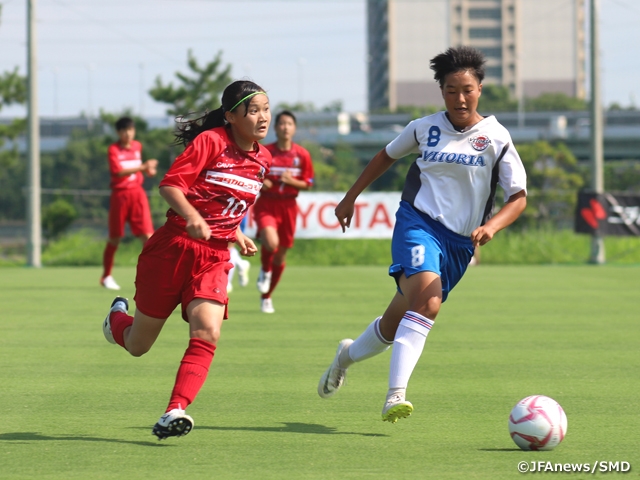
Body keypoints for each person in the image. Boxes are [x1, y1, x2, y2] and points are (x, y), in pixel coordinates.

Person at [317, 46, 527, 423]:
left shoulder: (497, 137)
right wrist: (350, 197)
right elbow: (385, 156)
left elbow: (518, 198)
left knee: (394, 322)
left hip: (460, 245)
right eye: (450, 90)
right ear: (441, 91)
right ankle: (395, 395)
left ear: (480, 88)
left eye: (467, 89)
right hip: (418, 224)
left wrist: (492, 226)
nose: (460, 98)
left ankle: (343, 358)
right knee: (428, 304)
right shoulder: (424, 128)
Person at [102, 80, 271, 440]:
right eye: (253, 110)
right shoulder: (210, 142)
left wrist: (236, 234)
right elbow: (170, 186)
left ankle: (174, 410)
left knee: (207, 330)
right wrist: (193, 216)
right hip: (173, 248)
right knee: (137, 345)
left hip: (214, 257)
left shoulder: (263, 160)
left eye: (266, 109)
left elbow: (231, 205)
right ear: (230, 116)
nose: (262, 117)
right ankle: (116, 318)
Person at [253, 110, 314, 313]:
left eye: (289, 124)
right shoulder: (264, 152)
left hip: (288, 207)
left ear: (294, 128)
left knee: (280, 255)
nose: (285, 127)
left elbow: (308, 183)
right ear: (276, 127)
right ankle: (264, 269)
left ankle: (267, 296)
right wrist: (262, 182)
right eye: (281, 123)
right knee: (271, 242)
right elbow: (251, 175)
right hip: (267, 204)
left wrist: (291, 181)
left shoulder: (302, 154)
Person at [101, 116, 158, 290]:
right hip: (120, 195)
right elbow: (117, 172)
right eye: (124, 130)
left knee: (148, 236)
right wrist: (143, 167)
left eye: (131, 130)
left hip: (137, 194)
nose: (128, 133)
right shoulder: (113, 149)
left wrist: (149, 170)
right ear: (118, 133)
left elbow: (140, 169)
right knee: (115, 237)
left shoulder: (137, 146)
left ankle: (153, 274)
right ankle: (106, 276)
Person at [226, 216, 251, 293]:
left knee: (228, 244)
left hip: (232, 212)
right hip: (230, 211)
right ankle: (240, 263)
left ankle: (227, 281)